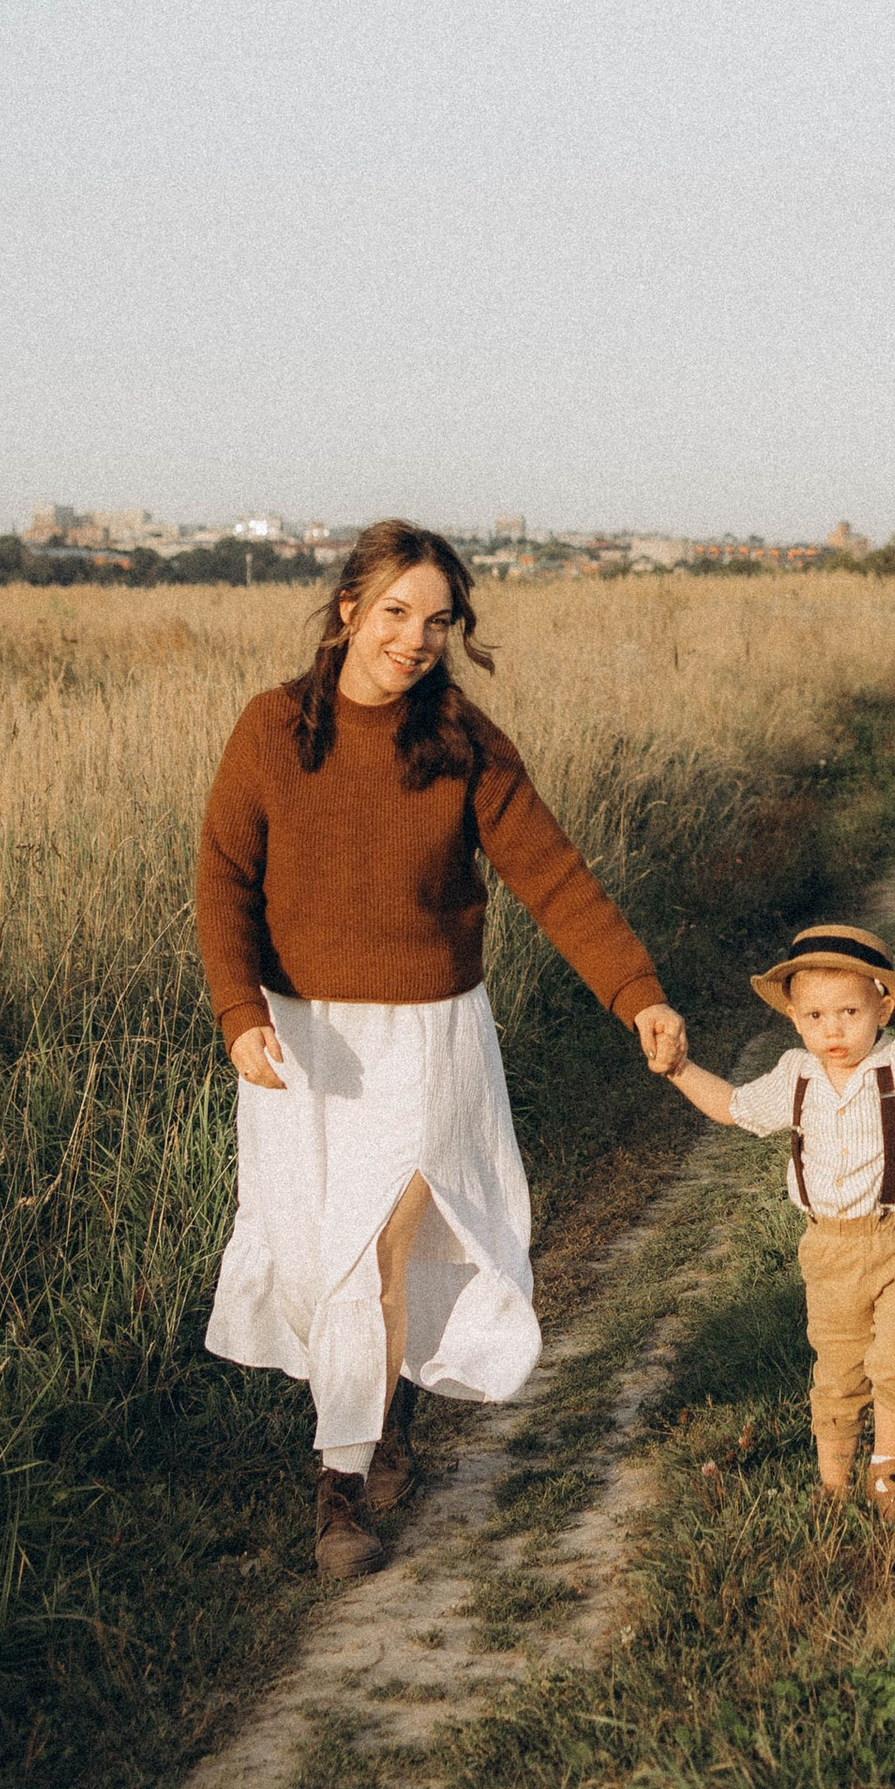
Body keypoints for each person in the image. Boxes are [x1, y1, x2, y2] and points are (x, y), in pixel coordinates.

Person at [196, 520, 687, 1582]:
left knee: (376, 1247)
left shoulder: (462, 740)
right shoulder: (272, 731)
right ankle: (387, 1411)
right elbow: (224, 881)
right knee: (322, 1251)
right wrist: (240, 1011)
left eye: (438, 622)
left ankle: (338, 1490)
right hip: (302, 1038)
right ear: (347, 611)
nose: (416, 641)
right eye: (395, 614)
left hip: (429, 1036)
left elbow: (550, 875)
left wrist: (634, 990)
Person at [667, 920, 895, 1527]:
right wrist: (679, 1070)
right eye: (814, 1016)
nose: (831, 1030)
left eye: (848, 1012)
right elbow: (732, 1108)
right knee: (835, 1366)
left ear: (882, 1009)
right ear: (793, 1016)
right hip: (828, 1250)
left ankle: (889, 1469)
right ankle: (833, 1483)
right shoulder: (795, 1075)